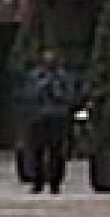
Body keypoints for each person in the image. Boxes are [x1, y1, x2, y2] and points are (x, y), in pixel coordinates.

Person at [23, 48, 77, 194]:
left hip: (57, 116)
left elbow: (70, 96)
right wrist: (42, 87)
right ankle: (37, 182)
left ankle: (55, 182)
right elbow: (28, 94)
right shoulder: (35, 75)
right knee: (37, 151)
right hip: (39, 117)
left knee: (57, 151)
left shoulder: (63, 76)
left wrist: (58, 93)